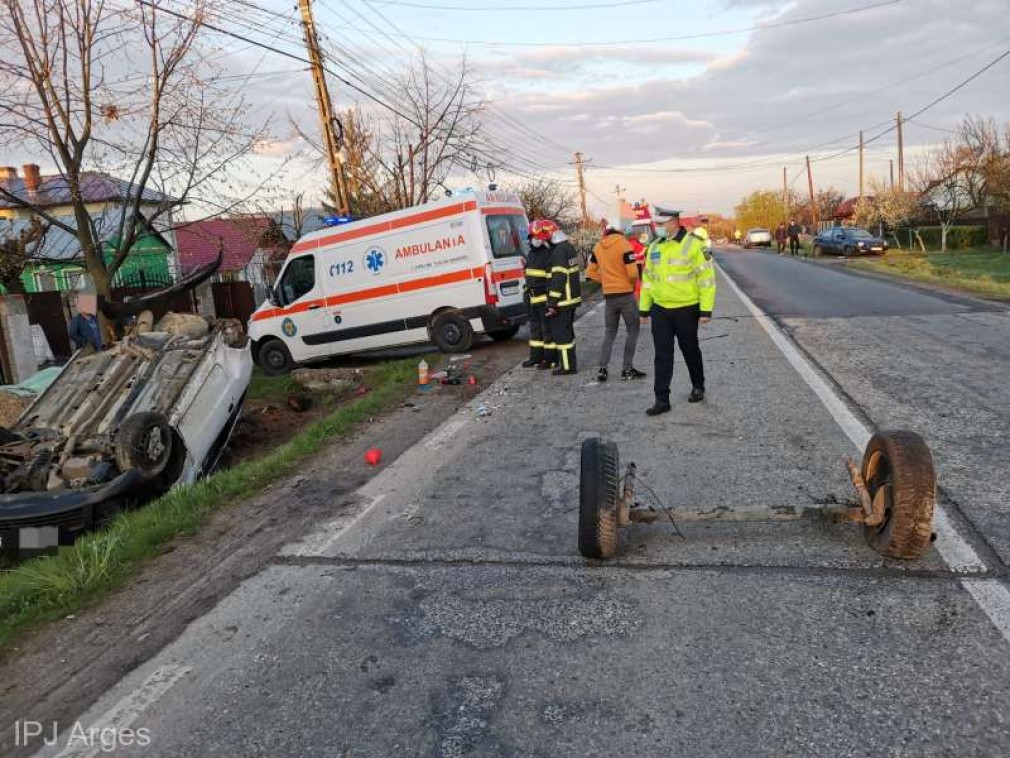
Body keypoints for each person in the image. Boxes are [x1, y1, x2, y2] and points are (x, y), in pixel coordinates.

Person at [639, 207, 716, 416]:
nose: (658, 227)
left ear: (674, 222)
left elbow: (706, 280)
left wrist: (706, 310)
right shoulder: (654, 247)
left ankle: (698, 385)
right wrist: (644, 309)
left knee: (690, 349)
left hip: (686, 308)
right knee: (662, 355)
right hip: (661, 310)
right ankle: (661, 399)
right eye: (657, 224)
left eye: (661, 224)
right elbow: (648, 280)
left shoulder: (694, 245)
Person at [587, 221, 645, 383]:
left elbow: (590, 272)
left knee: (610, 332)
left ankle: (602, 369)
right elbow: (633, 272)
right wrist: (630, 283)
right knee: (633, 330)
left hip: (609, 296)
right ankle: (627, 369)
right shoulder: (625, 245)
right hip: (626, 294)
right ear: (619, 234)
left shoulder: (597, 248)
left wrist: (605, 281)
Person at [543, 222, 582, 375]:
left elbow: (558, 278)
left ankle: (567, 367)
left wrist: (552, 303)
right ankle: (569, 364)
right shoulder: (568, 247)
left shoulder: (558, 252)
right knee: (568, 334)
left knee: (562, 335)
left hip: (562, 301)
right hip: (570, 299)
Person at [522, 221, 556, 369]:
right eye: (533, 237)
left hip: (544, 299)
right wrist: (526, 292)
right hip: (533, 299)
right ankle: (536, 357)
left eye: (538, 237)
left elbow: (551, 278)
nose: (536, 240)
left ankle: (549, 360)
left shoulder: (547, 254)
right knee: (535, 331)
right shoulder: (530, 254)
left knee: (547, 332)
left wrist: (550, 300)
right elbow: (529, 276)